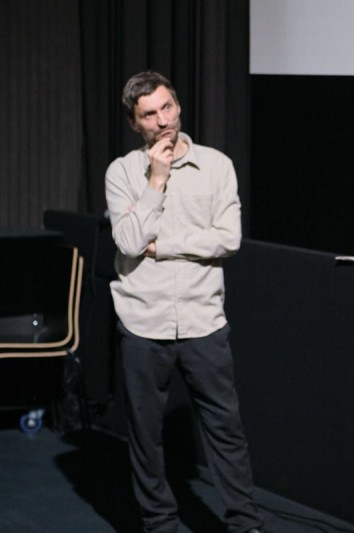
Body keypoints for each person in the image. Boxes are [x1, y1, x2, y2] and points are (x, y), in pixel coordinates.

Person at [105, 71, 265, 533]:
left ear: (178, 105)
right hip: (142, 323)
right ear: (136, 124)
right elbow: (131, 241)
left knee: (226, 433)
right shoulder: (122, 172)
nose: (162, 121)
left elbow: (228, 239)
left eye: (167, 108)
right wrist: (155, 180)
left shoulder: (217, 166)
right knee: (146, 438)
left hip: (203, 322)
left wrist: (165, 244)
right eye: (149, 115)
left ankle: (245, 524)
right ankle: (160, 525)